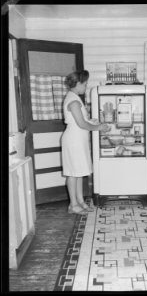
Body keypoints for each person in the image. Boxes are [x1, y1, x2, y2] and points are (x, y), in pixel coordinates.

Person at [62, 70, 109, 214]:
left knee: (79, 172)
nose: (86, 86)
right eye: (85, 83)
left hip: (78, 140)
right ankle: (73, 205)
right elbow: (81, 124)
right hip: (73, 140)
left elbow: (81, 121)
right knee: (72, 173)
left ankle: (80, 201)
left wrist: (92, 121)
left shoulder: (75, 98)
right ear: (77, 84)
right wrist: (98, 127)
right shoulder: (73, 100)